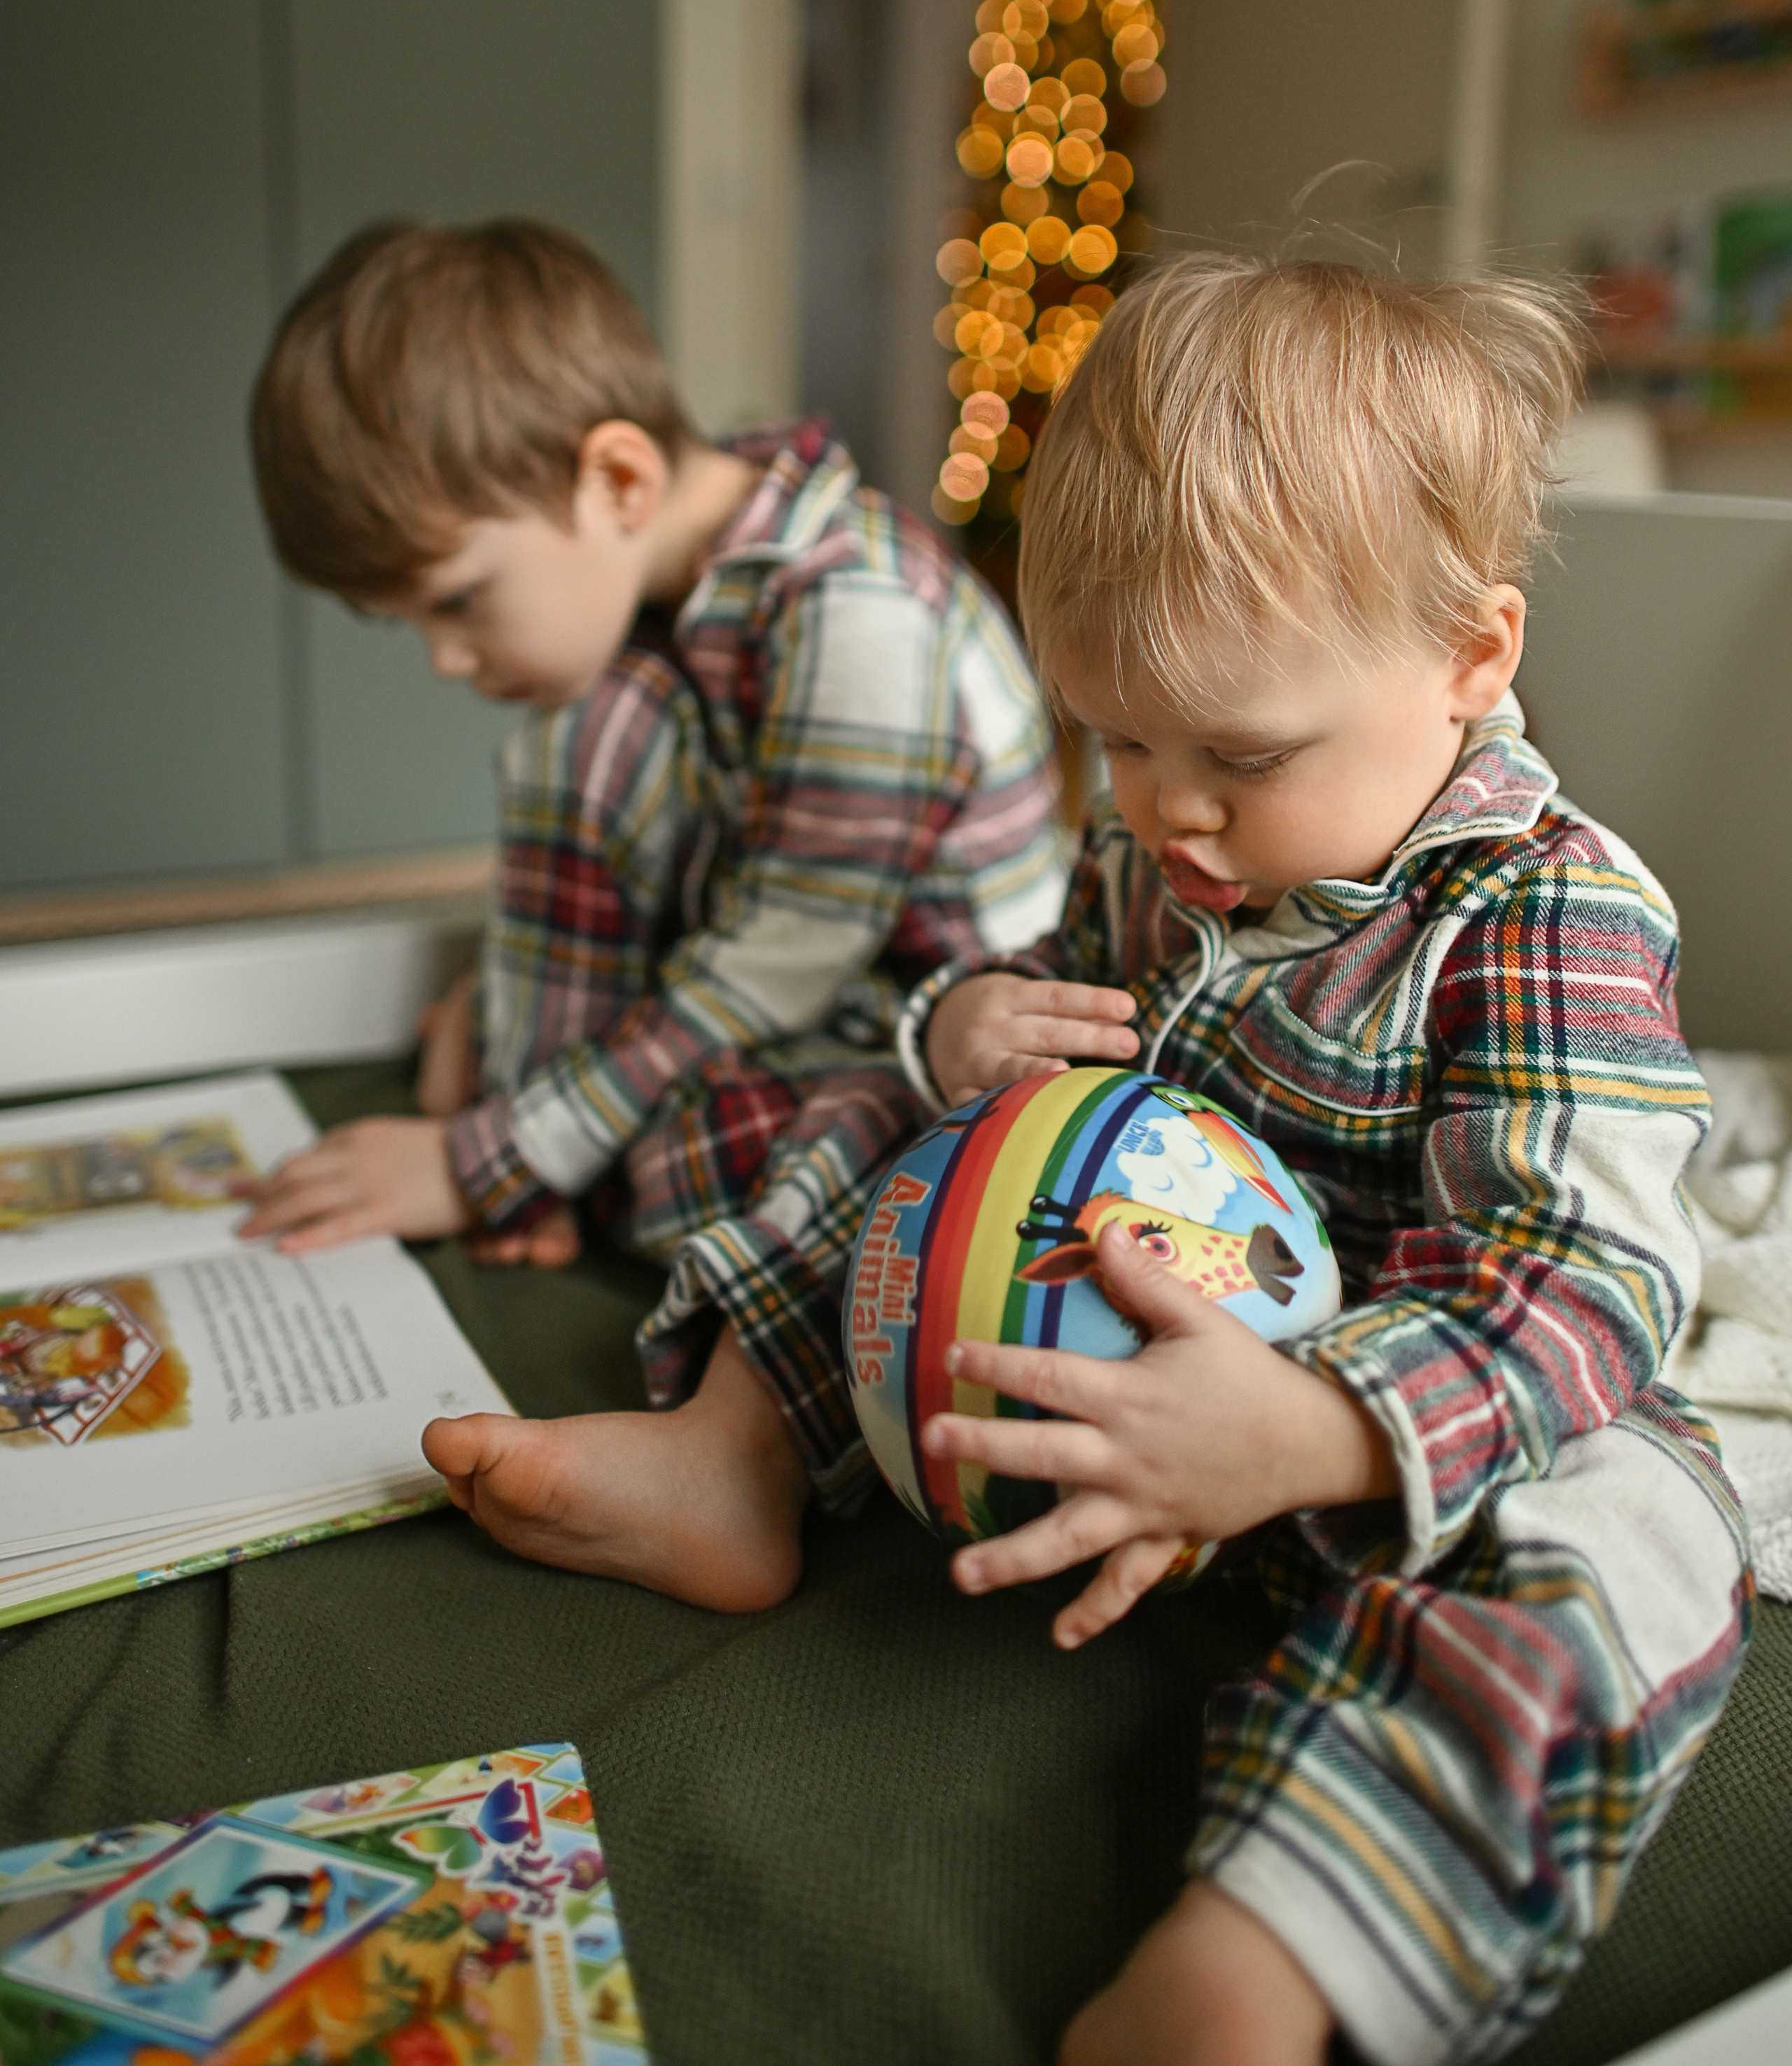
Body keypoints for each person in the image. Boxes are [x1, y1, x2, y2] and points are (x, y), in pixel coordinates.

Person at [899, 255, 1752, 2066]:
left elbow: (1582, 1284)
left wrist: (1321, 1430)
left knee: (1637, 1531)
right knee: (867, 1119)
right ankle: (729, 1449)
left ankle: (1270, 1953)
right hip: (1144, 1323)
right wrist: (971, 1026)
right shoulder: (1167, 847)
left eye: (1237, 753)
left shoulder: (1551, 913)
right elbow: (1055, 1018)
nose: (1166, 809)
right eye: (1113, 737)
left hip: (1413, 1387)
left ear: (1471, 659)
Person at [242, 217, 1065, 1612]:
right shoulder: (660, 595)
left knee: (877, 1145)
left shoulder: (856, 614)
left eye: (455, 601)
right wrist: (523, 1115)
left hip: (941, 1053)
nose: (446, 657)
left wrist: (484, 1155)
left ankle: (730, 1460)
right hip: (761, 1021)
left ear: (616, 474)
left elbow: (770, 970)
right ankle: (547, 1117)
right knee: (589, 727)